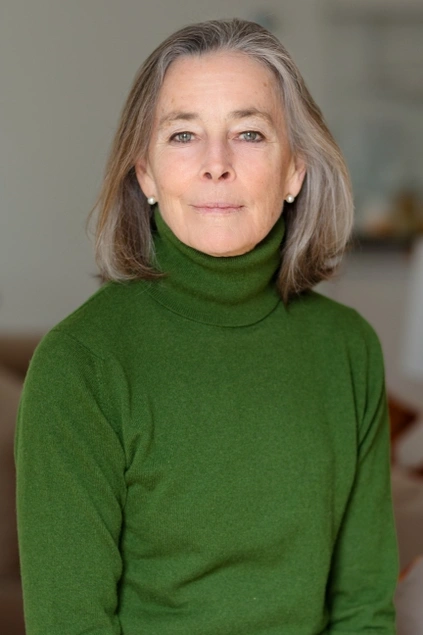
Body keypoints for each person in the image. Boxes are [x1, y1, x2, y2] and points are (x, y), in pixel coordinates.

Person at [15, 18, 398, 635]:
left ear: (294, 170)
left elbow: (363, 608)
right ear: (145, 174)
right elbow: (71, 624)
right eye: (184, 134)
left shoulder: (348, 349)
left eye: (249, 133)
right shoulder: (80, 363)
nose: (216, 164)